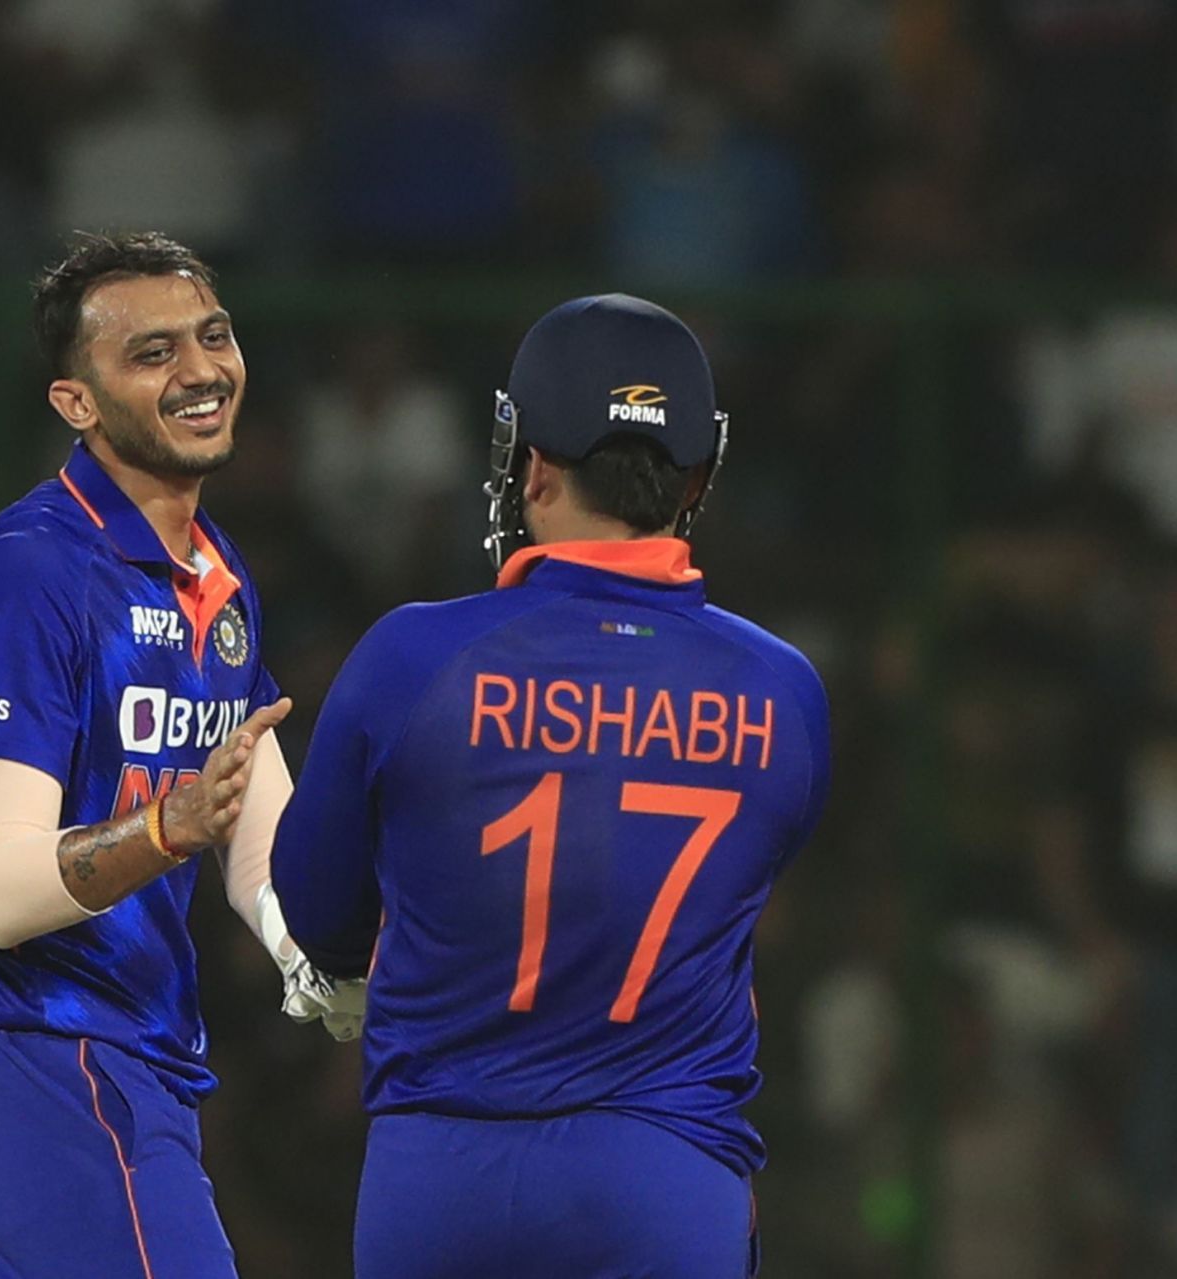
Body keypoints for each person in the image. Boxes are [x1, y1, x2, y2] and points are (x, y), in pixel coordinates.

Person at [272, 294, 832, 1277]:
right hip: (663, 1169)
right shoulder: (782, 689)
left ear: (530, 467)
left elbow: (317, 916)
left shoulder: (409, 656)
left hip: (439, 1169)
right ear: (694, 477)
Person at [0, 231, 360, 1279]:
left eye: (212, 336)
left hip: (133, 1068)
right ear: (76, 403)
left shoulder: (213, 569)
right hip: (44, 1063)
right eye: (152, 353)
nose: (202, 370)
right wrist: (171, 827)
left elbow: (248, 801)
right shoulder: (34, 572)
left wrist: (310, 952)